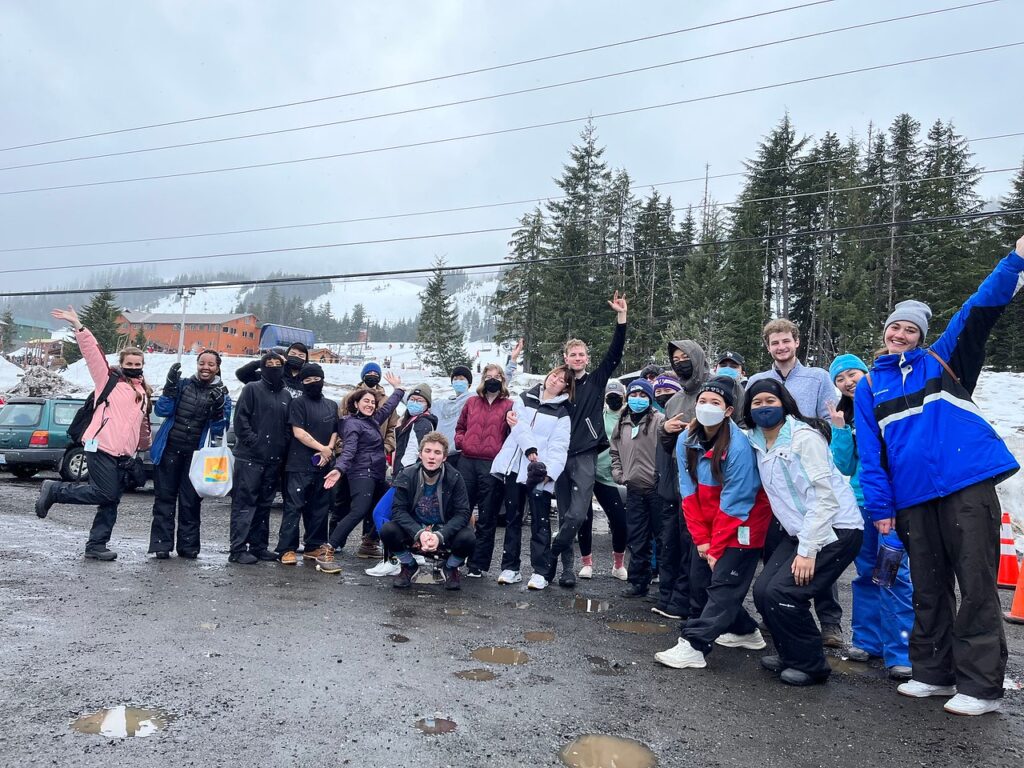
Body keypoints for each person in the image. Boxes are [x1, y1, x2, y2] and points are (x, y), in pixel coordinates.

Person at [855, 238, 1023, 716]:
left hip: (966, 485)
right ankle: (933, 673)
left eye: (910, 329)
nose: (901, 335)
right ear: (885, 332)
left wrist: (1016, 260)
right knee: (928, 587)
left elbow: (978, 310)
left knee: (975, 585)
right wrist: (882, 510)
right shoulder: (870, 385)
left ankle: (981, 687)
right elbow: (872, 455)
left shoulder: (944, 360)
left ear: (921, 335)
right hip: (912, 498)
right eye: (895, 327)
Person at [746, 379, 863, 686]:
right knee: (762, 592)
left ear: (784, 403)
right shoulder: (757, 441)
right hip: (800, 529)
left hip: (836, 528)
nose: (764, 408)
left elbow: (826, 498)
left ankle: (811, 664)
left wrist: (808, 550)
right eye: (756, 403)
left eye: (770, 401)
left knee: (785, 593)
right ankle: (791, 653)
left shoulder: (803, 438)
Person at [655, 377, 773, 670]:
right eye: (703, 401)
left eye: (716, 403)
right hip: (708, 524)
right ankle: (745, 631)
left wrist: (716, 547)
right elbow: (689, 493)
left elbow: (737, 502)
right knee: (699, 581)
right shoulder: (687, 439)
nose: (707, 407)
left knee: (724, 584)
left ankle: (695, 645)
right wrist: (702, 541)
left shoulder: (739, 446)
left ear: (729, 410)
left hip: (743, 523)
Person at [746, 319, 843, 647]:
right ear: (768, 346)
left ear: (796, 342)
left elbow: (831, 422)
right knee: (777, 552)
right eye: (775, 343)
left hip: (807, 475)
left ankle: (830, 622)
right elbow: (751, 423)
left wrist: (803, 428)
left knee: (816, 546)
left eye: (786, 341)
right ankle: (776, 614)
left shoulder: (818, 378)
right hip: (775, 482)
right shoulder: (759, 381)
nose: (781, 348)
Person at [36, 306, 153, 561]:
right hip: (100, 446)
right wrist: (79, 327)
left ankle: (96, 545)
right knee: (105, 493)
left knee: (111, 503)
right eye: (129, 363)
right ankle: (55, 490)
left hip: (124, 455)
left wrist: (141, 449)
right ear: (121, 365)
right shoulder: (107, 381)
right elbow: (93, 354)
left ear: (143, 365)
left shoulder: (142, 392)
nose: (133, 367)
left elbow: (140, 426)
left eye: (138, 364)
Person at [551, 292, 628, 588]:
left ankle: (555, 549)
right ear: (566, 359)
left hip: (585, 453)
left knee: (579, 512)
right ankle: (566, 569)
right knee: (565, 512)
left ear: (587, 358)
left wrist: (621, 319)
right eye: (573, 355)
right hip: (559, 455)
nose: (578, 359)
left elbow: (615, 354)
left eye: (582, 355)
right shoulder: (558, 383)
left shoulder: (596, 381)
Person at [491, 366, 573, 590]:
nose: (555, 381)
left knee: (540, 522)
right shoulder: (524, 398)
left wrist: (550, 472)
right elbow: (519, 426)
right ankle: (510, 567)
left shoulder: (562, 413)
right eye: (554, 376)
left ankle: (541, 571)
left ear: (566, 387)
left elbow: (560, 446)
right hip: (516, 466)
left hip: (540, 472)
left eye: (561, 380)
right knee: (512, 518)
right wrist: (529, 448)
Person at [148, 352, 230, 559]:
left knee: (190, 502)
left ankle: (188, 547)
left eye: (211, 364)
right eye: (202, 363)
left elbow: (220, 429)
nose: (206, 367)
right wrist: (169, 389)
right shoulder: (183, 385)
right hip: (169, 451)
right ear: (197, 364)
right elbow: (162, 411)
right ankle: (161, 545)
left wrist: (219, 410)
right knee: (164, 499)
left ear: (217, 367)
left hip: (196, 457)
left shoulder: (222, 393)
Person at [322, 372, 405, 565]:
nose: (370, 405)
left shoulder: (372, 421)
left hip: (376, 473)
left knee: (394, 503)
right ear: (356, 403)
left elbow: (388, 407)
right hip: (361, 473)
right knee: (359, 511)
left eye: (372, 402)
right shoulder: (352, 424)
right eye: (365, 401)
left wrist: (398, 390)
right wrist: (340, 468)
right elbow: (349, 450)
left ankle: (369, 542)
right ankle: (329, 547)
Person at [656, 340, 709, 624]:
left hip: (712, 483)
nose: (680, 362)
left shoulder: (717, 388)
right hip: (681, 484)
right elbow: (666, 446)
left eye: (685, 356)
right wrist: (666, 430)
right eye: (675, 359)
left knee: (700, 547)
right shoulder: (675, 401)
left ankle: (700, 605)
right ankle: (679, 600)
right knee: (678, 544)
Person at [382, 432, 475, 590]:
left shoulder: (455, 477)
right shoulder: (407, 474)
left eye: (437, 452)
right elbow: (398, 510)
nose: (432, 457)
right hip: (416, 528)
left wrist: (440, 535)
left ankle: (450, 567)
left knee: (468, 537)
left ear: (444, 457)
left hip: (442, 530)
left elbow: (463, 513)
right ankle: (409, 565)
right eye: (428, 451)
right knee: (388, 530)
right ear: (420, 454)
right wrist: (420, 533)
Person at [228, 352, 293, 564]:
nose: (273, 367)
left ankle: (259, 546)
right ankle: (238, 549)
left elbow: (287, 425)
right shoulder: (252, 388)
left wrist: (281, 446)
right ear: (262, 367)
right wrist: (254, 442)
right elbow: (241, 421)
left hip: (273, 459)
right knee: (245, 503)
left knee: (264, 505)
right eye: (269, 364)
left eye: (277, 364)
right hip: (250, 458)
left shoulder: (285, 395)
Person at [275, 363, 339, 569]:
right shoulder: (298, 403)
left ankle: (314, 545)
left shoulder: (331, 404)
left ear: (322, 380)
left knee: (320, 507)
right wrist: (321, 448)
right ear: (302, 382)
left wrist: (328, 449)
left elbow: (335, 430)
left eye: (316, 379)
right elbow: (298, 432)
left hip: (324, 464)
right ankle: (287, 549)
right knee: (294, 507)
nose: (313, 383)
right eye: (308, 380)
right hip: (299, 464)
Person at [455, 364, 514, 579]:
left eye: (497, 376)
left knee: (487, 517)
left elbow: (512, 434)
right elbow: (460, 427)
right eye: (488, 376)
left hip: (492, 465)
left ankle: (477, 564)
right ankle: (456, 556)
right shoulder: (471, 402)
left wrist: (502, 454)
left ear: (502, 380)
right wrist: (462, 442)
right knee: (461, 511)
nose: (492, 379)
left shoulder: (509, 405)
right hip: (467, 462)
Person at [611, 379, 666, 598]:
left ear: (650, 399)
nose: (638, 399)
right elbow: (614, 450)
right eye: (634, 395)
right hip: (633, 489)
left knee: (663, 539)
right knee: (637, 538)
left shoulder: (659, 421)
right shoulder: (622, 421)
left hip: (656, 490)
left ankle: (665, 585)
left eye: (643, 396)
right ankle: (638, 582)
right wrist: (618, 473)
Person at [576, 380, 629, 580]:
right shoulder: (598, 416)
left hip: (612, 477)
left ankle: (618, 564)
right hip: (590, 473)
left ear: (624, 398)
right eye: (609, 396)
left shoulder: (628, 419)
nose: (613, 399)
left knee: (619, 522)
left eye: (617, 396)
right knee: (585, 518)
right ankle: (587, 563)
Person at [435, 364, 475, 465]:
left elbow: (495, 388)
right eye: (455, 379)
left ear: (469, 383)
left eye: (462, 379)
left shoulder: (474, 398)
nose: (458, 381)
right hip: (442, 454)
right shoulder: (442, 404)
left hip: (461, 453)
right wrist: (398, 390)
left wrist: (512, 363)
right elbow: (420, 400)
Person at [393, 383, 437, 475]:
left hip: (408, 473)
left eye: (419, 401)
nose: (415, 403)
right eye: (412, 399)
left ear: (427, 405)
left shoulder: (423, 423)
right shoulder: (408, 420)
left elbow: (413, 452)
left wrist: (403, 474)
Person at [236, 342, 308, 395]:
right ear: (286, 356)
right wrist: (266, 362)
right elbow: (241, 374)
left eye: (301, 355)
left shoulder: (308, 380)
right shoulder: (272, 374)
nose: (297, 357)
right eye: (293, 354)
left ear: (306, 360)